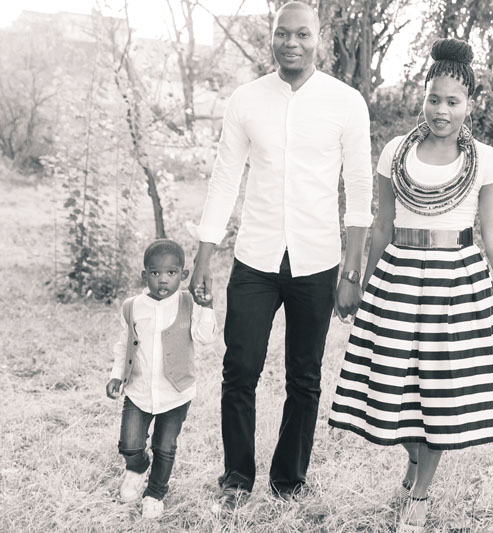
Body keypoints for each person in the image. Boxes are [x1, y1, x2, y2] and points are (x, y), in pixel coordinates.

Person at [328, 38, 493, 532]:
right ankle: (414, 462)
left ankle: (419, 493)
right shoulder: (395, 151)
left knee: (440, 393)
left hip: (455, 283)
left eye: (453, 101)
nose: (442, 110)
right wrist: (364, 285)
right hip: (398, 277)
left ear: (470, 105)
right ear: (423, 97)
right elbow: (382, 225)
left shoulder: (486, 159)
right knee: (398, 389)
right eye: (434, 98)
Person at [188, 0, 373, 506]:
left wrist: (352, 271)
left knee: (304, 377)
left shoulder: (346, 102)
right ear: (272, 37)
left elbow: (359, 189)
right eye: (282, 33)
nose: (291, 43)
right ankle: (236, 478)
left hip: (317, 259)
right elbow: (225, 179)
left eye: (302, 34)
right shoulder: (246, 100)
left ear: (319, 39)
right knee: (239, 368)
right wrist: (203, 256)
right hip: (255, 257)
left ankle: (289, 480)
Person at [106, 239, 217, 519]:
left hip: (175, 393)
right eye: (155, 273)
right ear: (144, 275)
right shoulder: (133, 307)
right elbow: (123, 344)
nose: (163, 280)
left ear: (183, 274)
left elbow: (205, 337)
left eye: (171, 273)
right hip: (138, 390)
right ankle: (137, 467)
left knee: (165, 447)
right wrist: (117, 375)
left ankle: (155, 493)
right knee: (129, 444)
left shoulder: (189, 303)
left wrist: (207, 306)